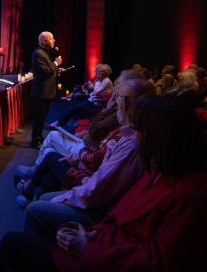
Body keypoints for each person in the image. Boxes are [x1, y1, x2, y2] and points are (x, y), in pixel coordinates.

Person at [0, 94, 207, 272]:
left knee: (12, 245)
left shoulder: (192, 194)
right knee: (16, 259)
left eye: (139, 131)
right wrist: (93, 233)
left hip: (106, 266)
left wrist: (86, 248)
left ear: (160, 137)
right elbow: (120, 217)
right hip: (101, 247)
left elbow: (159, 260)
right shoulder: (160, 171)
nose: (135, 137)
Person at [22, 79, 155, 238]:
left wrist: (63, 196)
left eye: (117, 95)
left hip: (99, 211)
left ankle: (32, 186)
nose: (114, 96)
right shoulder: (129, 132)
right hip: (93, 175)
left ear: (124, 103)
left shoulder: (130, 145)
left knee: (36, 207)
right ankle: (34, 183)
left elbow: (96, 189)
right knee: (49, 171)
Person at [45, 63, 113, 130]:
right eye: (97, 71)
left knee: (75, 106)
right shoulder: (101, 79)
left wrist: (96, 83)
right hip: (92, 97)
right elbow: (94, 91)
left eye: (98, 72)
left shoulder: (106, 81)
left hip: (96, 101)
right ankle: (73, 119)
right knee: (76, 99)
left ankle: (57, 123)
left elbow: (96, 92)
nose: (96, 73)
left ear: (104, 73)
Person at [30, 31, 63, 148]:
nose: (54, 41)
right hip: (41, 92)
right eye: (51, 39)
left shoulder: (44, 52)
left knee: (42, 118)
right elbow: (44, 72)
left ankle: (39, 138)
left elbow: (48, 70)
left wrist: (56, 70)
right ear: (44, 41)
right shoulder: (39, 53)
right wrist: (55, 64)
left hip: (46, 92)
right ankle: (35, 140)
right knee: (38, 118)